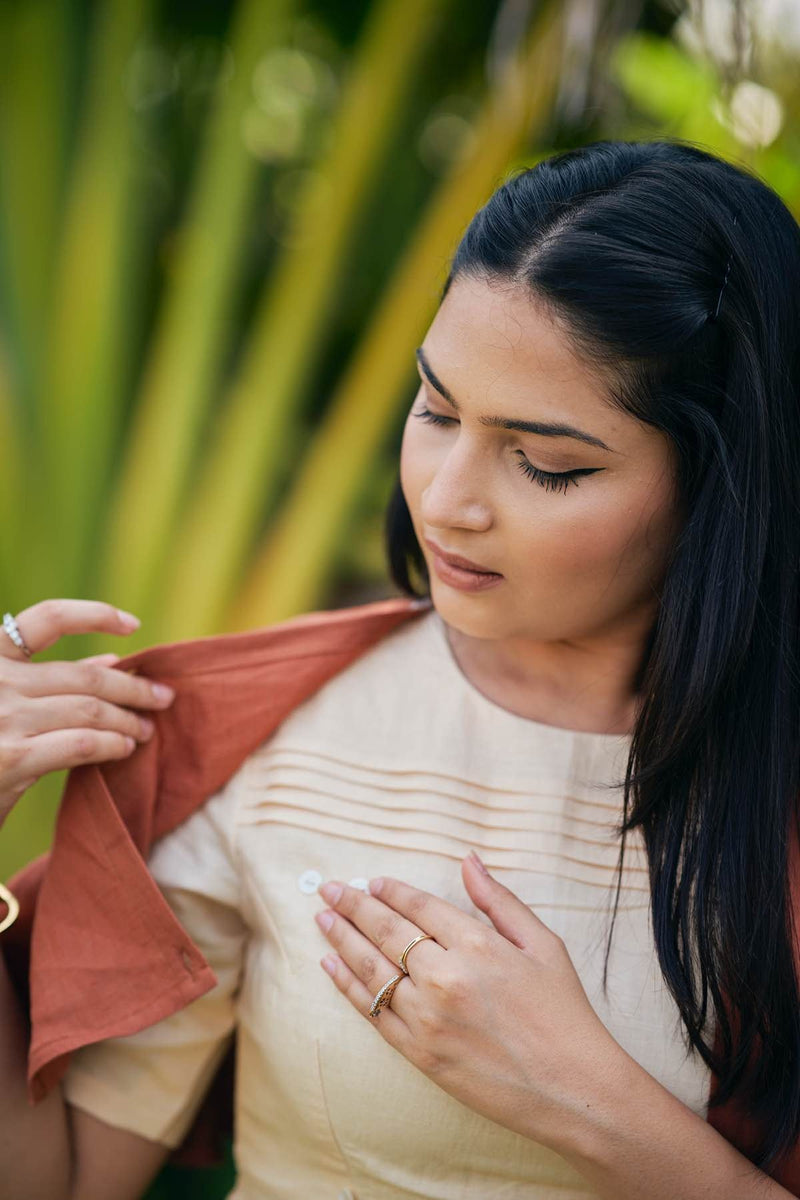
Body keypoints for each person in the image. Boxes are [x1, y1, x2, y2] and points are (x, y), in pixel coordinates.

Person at [2, 136, 799, 1200]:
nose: (445, 498)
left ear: (722, 482)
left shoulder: (766, 797)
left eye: (544, 464)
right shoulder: (261, 741)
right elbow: (53, 1186)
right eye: (433, 410)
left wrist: (578, 1096)